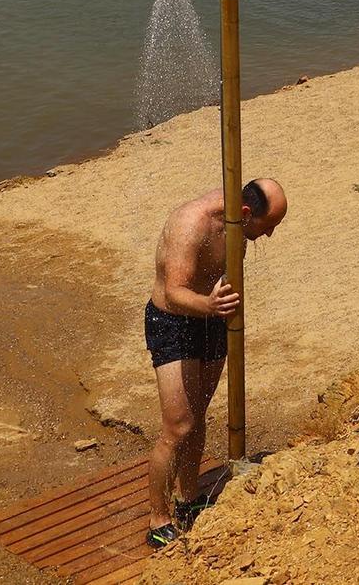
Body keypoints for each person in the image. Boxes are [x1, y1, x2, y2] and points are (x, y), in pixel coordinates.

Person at [144, 177, 288, 547]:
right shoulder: (192, 223)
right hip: (173, 323)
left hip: (212, 321)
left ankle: (188, 498)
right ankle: (158, 519)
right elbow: (174, 292)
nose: (268, 237)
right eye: (266, 227)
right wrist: (208, 305)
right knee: (177, 425)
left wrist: (215, 310)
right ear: (244, 214)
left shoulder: (237, 222)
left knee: (198, 417)